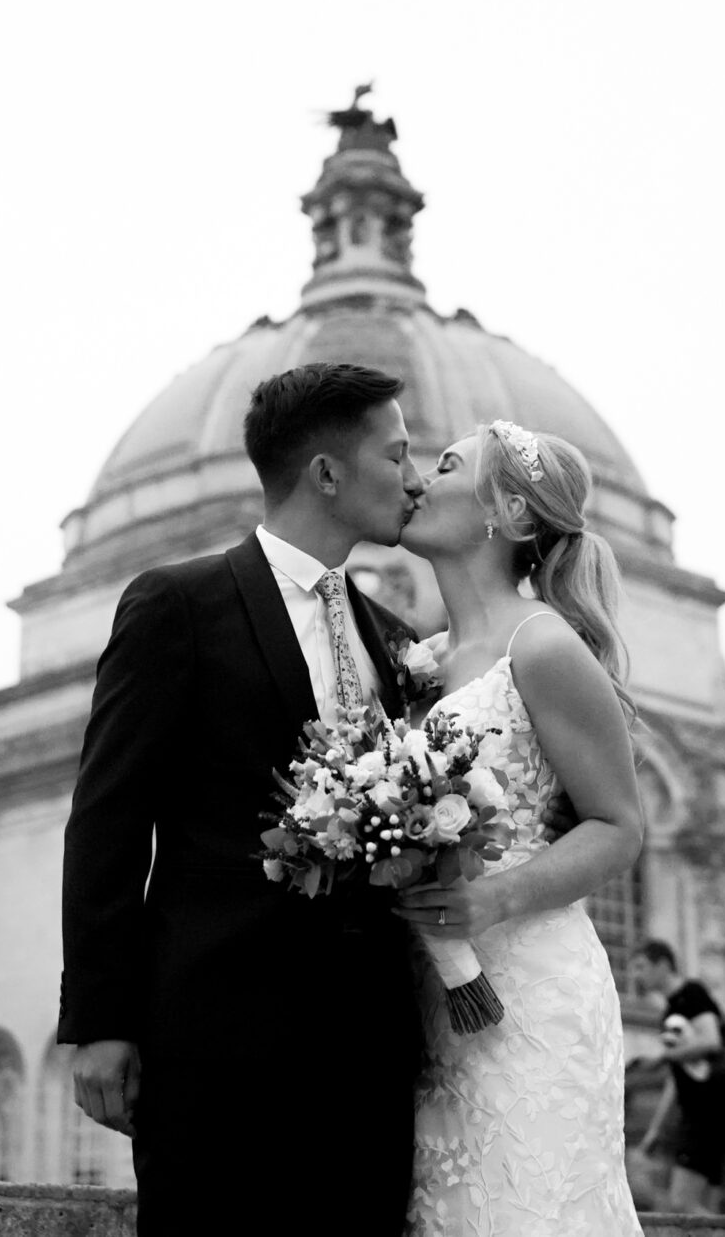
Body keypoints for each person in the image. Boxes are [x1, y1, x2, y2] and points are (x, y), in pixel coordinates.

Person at [58, 362, 430, 1235]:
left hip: (370, 1054)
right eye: (398, 455)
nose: (413, 479)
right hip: (215, 1044)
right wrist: (101, 1021)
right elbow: (108, 820)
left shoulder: (398, 642)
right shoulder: (178, 605)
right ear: (327, 473)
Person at [393, 419, 646, 1235]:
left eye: (446, 465)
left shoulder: (543, 646)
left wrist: (494, 902)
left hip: (529, 992)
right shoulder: (420, 661)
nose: (417, 480)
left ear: (511, 514)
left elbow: (618, 826)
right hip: (433, 996)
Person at [627, 938, 725, 1212]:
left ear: (663, 965)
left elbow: (712, 1040)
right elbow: (678, 1079)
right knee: (703, 1205)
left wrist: (662, 1057)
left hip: (709, 1113)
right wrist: (656, 1130)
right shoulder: (671, 1010)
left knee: (681, 1202)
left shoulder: (692, 994)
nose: (636, 975)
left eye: (641, 967)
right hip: (696, 1114)